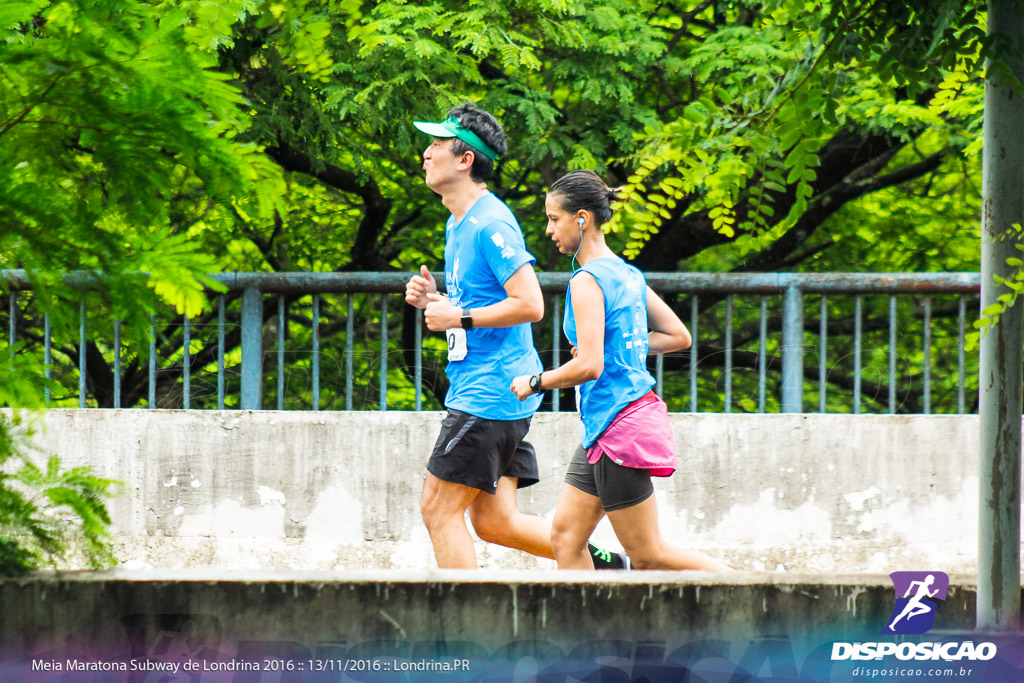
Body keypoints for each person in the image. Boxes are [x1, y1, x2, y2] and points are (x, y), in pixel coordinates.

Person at [405, 105, 627, 569]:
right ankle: (604, 564)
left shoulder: (490, 223)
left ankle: (464, 634)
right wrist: (437, 300)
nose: (425, 154)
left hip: (490, 391)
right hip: (500, 389)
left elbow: (530, 303)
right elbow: (485, 298)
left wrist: (459, 318)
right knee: (495, 523)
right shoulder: (459, 221)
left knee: (438, 510)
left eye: (436, 145)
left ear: (464, 160)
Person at [511, 170, 731, 571]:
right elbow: (678, 336)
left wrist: (536, 381)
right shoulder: (628, 274)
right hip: (605, 426)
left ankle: (753, 589)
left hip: (619, 426)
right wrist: (616, 348)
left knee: (648, 555)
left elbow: (590, 365)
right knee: (565, 538)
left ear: (582, 218)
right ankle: (587, 632)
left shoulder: (587, 279)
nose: (548, 230)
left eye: (553, 219)